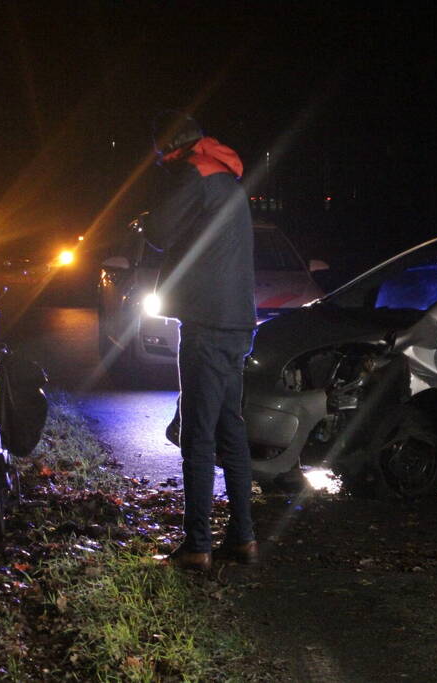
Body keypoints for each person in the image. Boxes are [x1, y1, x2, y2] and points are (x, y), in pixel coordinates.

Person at [144, 111, 259, 571]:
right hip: (237, 323)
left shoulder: (193, 174)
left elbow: (157, 232)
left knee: (197, 436)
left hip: (206, 323)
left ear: (172, 149)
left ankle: (196, 547)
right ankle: (243, 539)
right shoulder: (227, 178)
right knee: (230, 430)